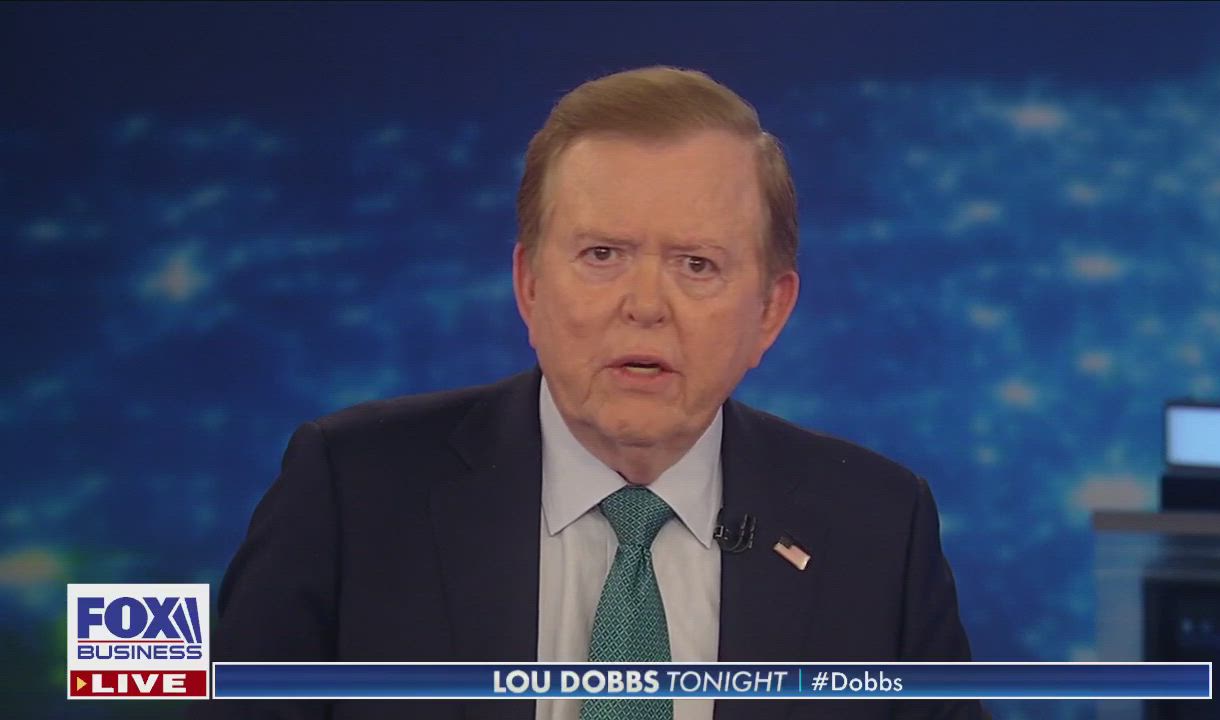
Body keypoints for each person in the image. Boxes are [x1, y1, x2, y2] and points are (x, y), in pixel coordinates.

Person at [193, 67, 987, 720]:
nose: (645, 305)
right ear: (530, 285)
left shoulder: (877, 528)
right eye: (603, 254)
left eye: (697, 264)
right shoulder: (352, 490)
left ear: (770, 312)